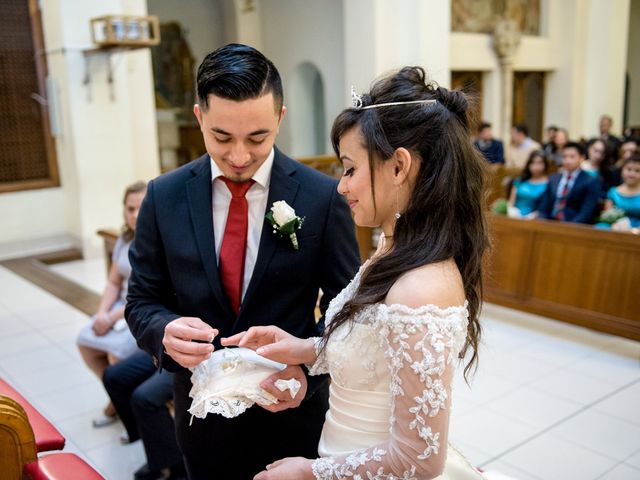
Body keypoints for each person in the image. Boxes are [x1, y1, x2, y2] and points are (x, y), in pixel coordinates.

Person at [224, 66, 489, 479]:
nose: (341, 186)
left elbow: (418, 459)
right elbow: (374, 350)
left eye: (350, 169)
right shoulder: (393, 249)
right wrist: (304, 349)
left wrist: (310, 472)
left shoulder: (423, 288)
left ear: (399, 167)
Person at [125, 43, 360, 480]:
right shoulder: (164, 196)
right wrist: (164, 331)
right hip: (203, 423)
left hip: (291, 411)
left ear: (280, 118)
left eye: (257, 138)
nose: (238, 156)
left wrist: (309, 367)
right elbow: (141, 300)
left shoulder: (322, 197)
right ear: (199, 117)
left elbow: (346, 307)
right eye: (221, 137)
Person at [77, 180, 146, 427]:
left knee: (116, 354)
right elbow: (114, 283)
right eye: (130, 209)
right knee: (85, 341)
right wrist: (101, 313)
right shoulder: (123, 240)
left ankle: (124, 408)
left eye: (141, 207)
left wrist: (112, 318)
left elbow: (149, 294)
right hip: (117, 308)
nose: (135, 215)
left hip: (138, 311)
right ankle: (116, 400)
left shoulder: (155, 241)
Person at [102, 351, 185, 480]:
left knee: (144, 399)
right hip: (163, 345)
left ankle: (175, 466)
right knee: (112, 377)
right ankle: (155, 448)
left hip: (198, 353)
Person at [538, 142, 600, 223]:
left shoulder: (590, 181)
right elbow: (544, 206)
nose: (567, 160)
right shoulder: (553, 178)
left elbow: (586, 213)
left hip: (574, 226)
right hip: (550, 224)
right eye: (564, 157)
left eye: (572, 157)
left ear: (582, 158)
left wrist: (569, 228)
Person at [595, 154, 640, 231]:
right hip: (616, 227)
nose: (632, 174)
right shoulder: (613, 192)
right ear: (622, 170)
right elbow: (607, 215)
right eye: (629, 169)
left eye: (637, 171)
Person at [507, 150, 550, 219]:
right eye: (533, 163)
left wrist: (534, 216)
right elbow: (511, 202)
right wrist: (511, 211)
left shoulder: (549, 183)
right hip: (515, 216)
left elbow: (546, 207)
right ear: (528, 164)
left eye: (539, 163)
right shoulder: (520, 180)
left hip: (535, 219)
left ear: (545, 164)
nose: (536, 166)